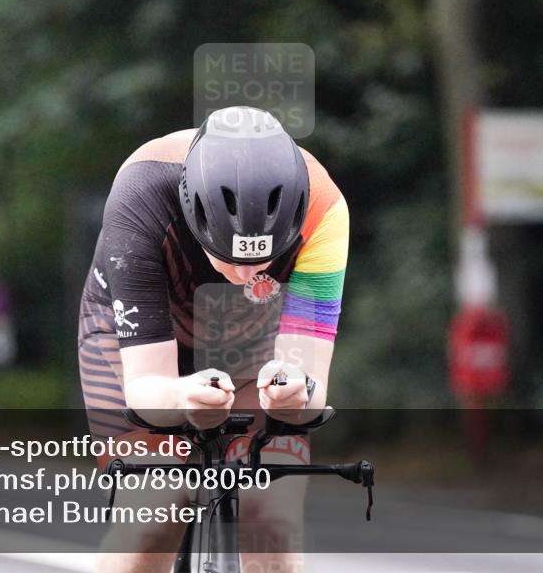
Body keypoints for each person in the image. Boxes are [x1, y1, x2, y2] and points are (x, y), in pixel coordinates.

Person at [77, 106, 349, 572]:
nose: (245, 274)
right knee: (154, 511)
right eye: (225, 255)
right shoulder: (140, 192)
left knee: (273, 520)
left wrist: (289, 392)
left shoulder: (325, 210)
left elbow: (310, 387)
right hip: (133, 333)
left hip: (251, 336)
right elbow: (146, 389)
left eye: (264, 260)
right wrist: (181, 394)